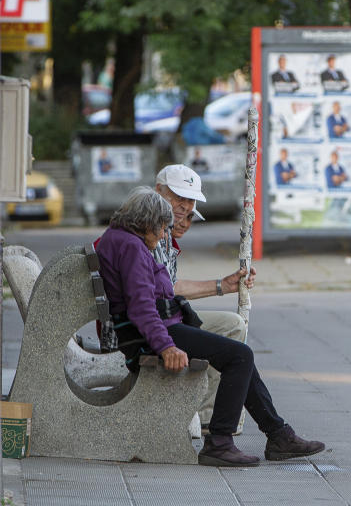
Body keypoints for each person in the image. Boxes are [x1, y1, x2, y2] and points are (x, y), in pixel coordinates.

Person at [96, 187, 325, 467]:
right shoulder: (131, 246)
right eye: (162, 228)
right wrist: (166, 346)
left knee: (239, 354)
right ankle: (220, 442)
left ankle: (278, 434)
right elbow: (141, 307)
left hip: (152, 328)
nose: (164, 235)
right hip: (146, 335)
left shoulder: (122, 239)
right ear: (146, 223)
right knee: (240, 356)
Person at [154, 164, 250, 433]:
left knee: (234, 336)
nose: (184, 211)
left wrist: (223, 285)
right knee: (234, 340)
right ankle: (210, 415)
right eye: (178, 198)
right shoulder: (151, 233)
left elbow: (168, 288)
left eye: (190, 201)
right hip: (151, 327)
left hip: (159, 321)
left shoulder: (163, 235)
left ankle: (214, 412)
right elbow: (159, 295)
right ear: (157, 192)